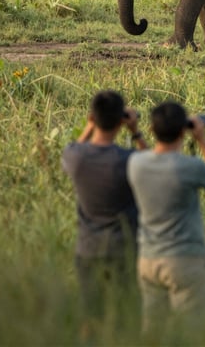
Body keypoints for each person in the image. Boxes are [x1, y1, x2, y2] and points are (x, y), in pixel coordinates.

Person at [127, 101, 205, 340]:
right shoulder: (190, 167)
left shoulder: (135, 164)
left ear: (152, 130)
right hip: (184, 260)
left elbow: (147, 155)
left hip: (148, 260)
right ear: (184, 130)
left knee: (152, 330)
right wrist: (202, 140)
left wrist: (135, 132)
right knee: (190, 332)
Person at [61, 89, 148, 342]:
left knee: (90, 315)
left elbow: (74, 148)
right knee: (127, 314)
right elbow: (153, 163)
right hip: (125, 248)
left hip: (88, 249)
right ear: (122, 119)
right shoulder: (129, 160)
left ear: (92, 117)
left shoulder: (76, 158)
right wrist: (136, 132)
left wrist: (89, 127)